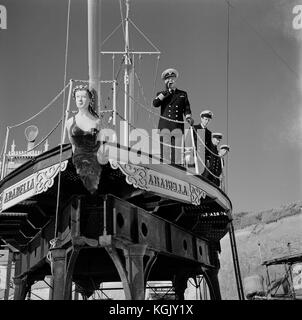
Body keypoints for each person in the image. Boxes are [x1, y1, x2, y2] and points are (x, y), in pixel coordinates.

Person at [152, 68, 194, 165]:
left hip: (177, 126)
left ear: (175, 79)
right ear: (165, 81)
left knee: (177, 153)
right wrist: (167, 92)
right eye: (168, 79)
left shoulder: (182, 94)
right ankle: (165, 169)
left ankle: (177, 171)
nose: (170, 80)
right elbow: (155, 103)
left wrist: (188, 117)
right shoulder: (161, 94)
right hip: (165, 126)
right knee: (165, 153)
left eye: (172, 78)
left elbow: (186, 108)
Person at [66, 85, 102, 194]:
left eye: (83, 96)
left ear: (90, 99)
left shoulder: (97, 122)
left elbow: (100, 143)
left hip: (94, 161)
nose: (80, 100)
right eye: (77, 97)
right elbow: (72, 144)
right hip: (78, 163)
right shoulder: (69, 122)